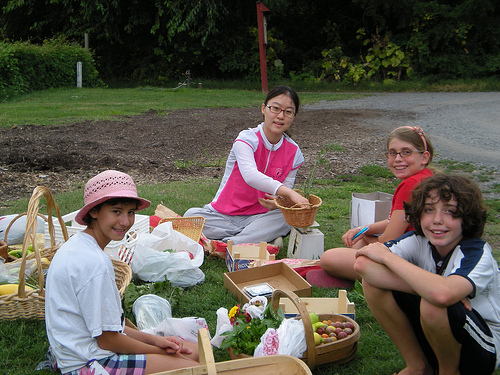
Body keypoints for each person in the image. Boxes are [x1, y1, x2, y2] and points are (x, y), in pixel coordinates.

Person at [45, 170, 199, 375]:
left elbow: (112, 328)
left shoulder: (78, 245)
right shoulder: (95, 264)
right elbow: (108, 340)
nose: (125, 222)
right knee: (197, 369)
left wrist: (158, 341)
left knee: (196, 352)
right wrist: (160, 351)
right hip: (90, 363)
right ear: (94, 212)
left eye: (130, 213)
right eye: (116, 211)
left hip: (86, 348)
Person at [354, 174, 500, 375]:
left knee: (435, 303)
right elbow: (363, 265)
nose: (437, 220)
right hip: (439, 334)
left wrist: (389, 259)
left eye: (451, 211)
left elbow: (441, 296)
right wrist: (434, 288)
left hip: (484, 346)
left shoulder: (475, 252)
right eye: (429, 210)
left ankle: (448, 372)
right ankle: (418, 367)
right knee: (374, 283)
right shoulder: (418, 239)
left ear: (467, 217)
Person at [184, 85, 309, 245]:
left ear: (294, 116)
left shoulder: (294, 152)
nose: (280, 116)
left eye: (288, 112)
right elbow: (250, 175)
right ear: (264, 109)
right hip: (224, 216)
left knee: (285, 217)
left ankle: (230, 243)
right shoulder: (246, 139)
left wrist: (279, 202)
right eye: (275, 109)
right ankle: (255, 239)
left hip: (259, 217)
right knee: (190, 216)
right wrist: (290, 194)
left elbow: (284, 191)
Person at [315, 126, 434, 286]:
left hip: (412, 260)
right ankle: (354, 276)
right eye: (393, 153)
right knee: (359, 243)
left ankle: (366, 278)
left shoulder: (410, 185)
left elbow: (388, 241)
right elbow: (398, 221)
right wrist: (364, 229)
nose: (398, 158)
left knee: (329, 258)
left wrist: (368, 237)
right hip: (423, 254)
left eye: (406, 152)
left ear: (424, 157)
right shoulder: (426, 177)